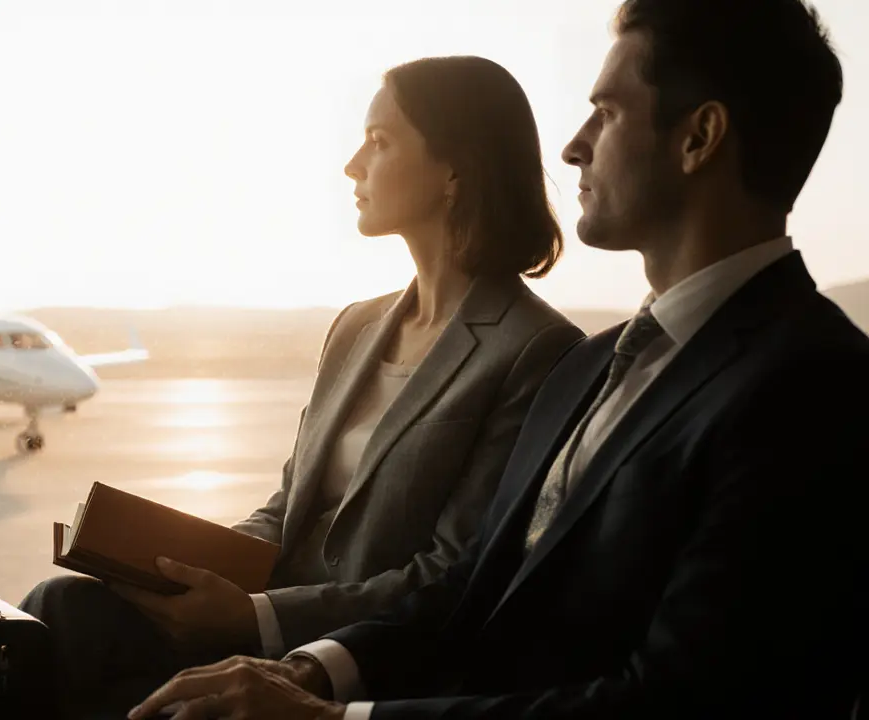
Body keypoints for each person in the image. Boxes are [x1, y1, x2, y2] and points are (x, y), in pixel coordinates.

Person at [129, 0, 869, 718]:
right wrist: (306, 668)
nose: (574, 146)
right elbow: (471, 587)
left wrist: (332, 718)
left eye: (606, 113)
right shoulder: (591, 368)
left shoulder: (815, 385)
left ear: (699, 137)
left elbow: (678, 700)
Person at [19, 55, 583, 717]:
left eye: (379, 142)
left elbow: (454, 571)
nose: (352, 165)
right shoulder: (356, 326)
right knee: (60, 609)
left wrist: (257, 619)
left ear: (455, 169)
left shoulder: (536, 349)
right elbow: (287, 509)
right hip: (261, 615)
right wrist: (175, 568)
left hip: (350, 654)